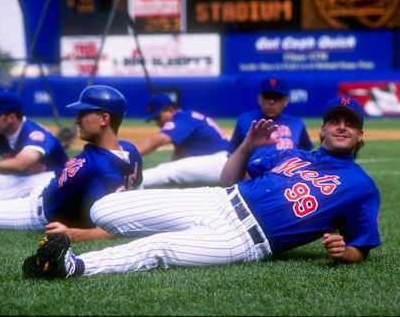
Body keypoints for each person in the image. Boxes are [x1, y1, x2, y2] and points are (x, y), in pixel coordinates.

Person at [22, 96, 381, 279]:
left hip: (245, 239)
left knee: (158, 248)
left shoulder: (360, 186)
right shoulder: (292, 155)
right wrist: (247, 146)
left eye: (350, 123)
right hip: (217, 199)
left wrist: (342, 251)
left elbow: (360, 247)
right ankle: (97, 235)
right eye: (334, 120)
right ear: (322, 129)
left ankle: (72, 267)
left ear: (360, 135)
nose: (341, 126)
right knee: (105, 209)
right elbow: (229, 179)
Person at [0, 85, 142, 242]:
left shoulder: (104, 170)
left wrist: (74, 234)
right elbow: (135, 193)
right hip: (43, 191)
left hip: (36, 213)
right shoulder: (129, 150)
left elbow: (115, 227)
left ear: (104, 118)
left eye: (83, 113)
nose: (76, 120)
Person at [0, 91, 68, 200]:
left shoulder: (35, 134)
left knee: (36, 183)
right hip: (22, 178)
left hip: (58, 181)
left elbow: (21, 165)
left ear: (11, 117)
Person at [138, 93, 231, 188]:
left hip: (223, 164)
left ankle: (129, 184)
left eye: (158, 117)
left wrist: (130, 155)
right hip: (225, 163)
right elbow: (179, 156)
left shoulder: (181, 118)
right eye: (154, 119)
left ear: (170, 110)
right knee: (175, 171)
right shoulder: (188, 116)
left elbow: (158, 140)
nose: (157, 123)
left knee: (167, 171)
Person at [230, 76, 313, 162]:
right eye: (267, 97)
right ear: (259, 99)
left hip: (287, 169)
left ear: (286, 101)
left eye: (276, 97)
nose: (271, 102)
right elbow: (233, 152)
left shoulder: (297, 123)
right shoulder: (245, 119)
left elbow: (306, 153)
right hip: (256, 170)